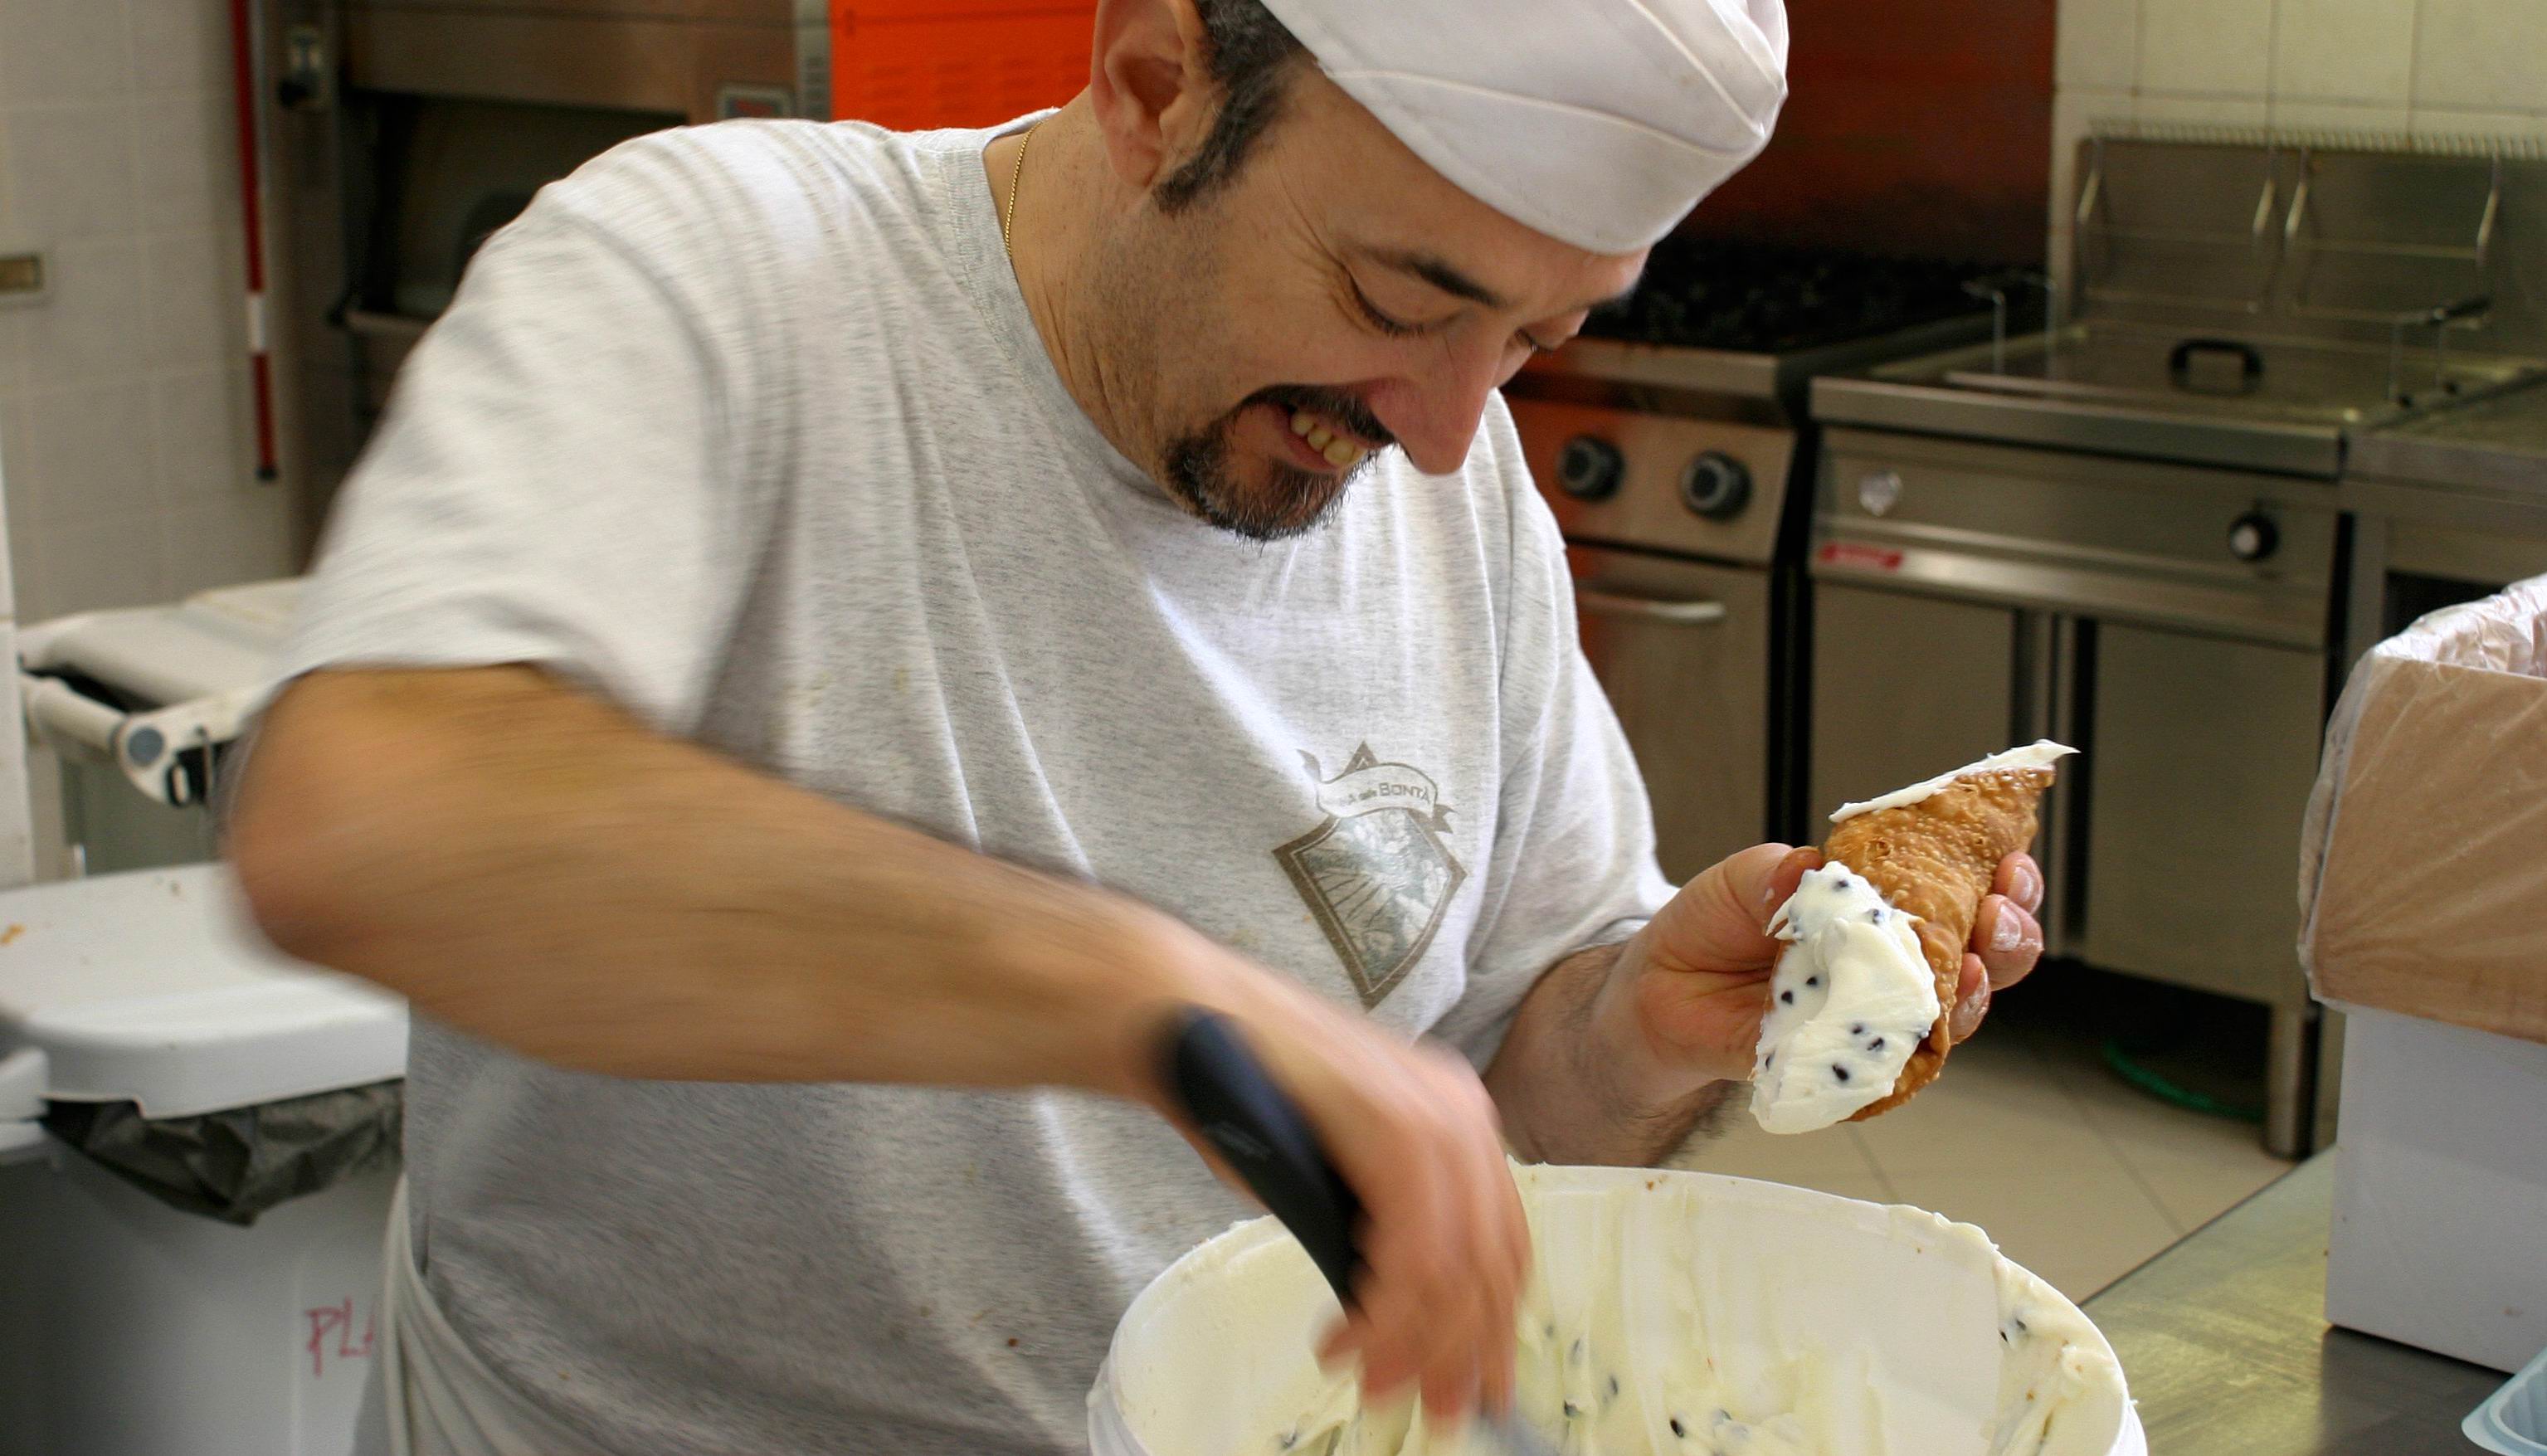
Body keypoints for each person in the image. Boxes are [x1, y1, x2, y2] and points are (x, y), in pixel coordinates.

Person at [227, 1, 2048, 1451]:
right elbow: (365, 819)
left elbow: (1486, 1114)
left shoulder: (1451, 476)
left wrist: (1637, 1027)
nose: (1438, 428)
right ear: (1155, 83)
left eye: (1532, 332)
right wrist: (1155, 1002)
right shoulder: (722, 277)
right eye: (1398, 298)